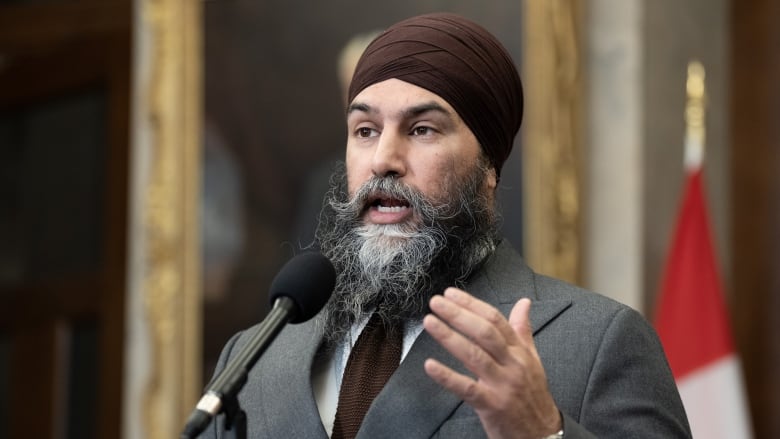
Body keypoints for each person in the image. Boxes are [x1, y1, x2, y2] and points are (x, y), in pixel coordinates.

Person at [200, 12, 691, 439]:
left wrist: (543, 432)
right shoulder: (252, 359)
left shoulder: (598, 342)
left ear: (489, 169)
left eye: (422, 130)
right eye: (365, 131)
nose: (384, 160)